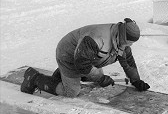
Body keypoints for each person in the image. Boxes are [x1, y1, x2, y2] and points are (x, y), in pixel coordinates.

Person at [20, 18, 150, 97]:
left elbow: (128, 61)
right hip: (69, 54)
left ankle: (63, 74)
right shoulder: (96, 39)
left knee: (90, 70)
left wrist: (136, 81)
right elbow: (82, 63)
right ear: (122, 36)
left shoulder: (120, 39)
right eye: (129, 42)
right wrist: (101, 78)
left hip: (84, 56)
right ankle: (34, 78)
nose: (130, 45)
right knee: (72, 92)